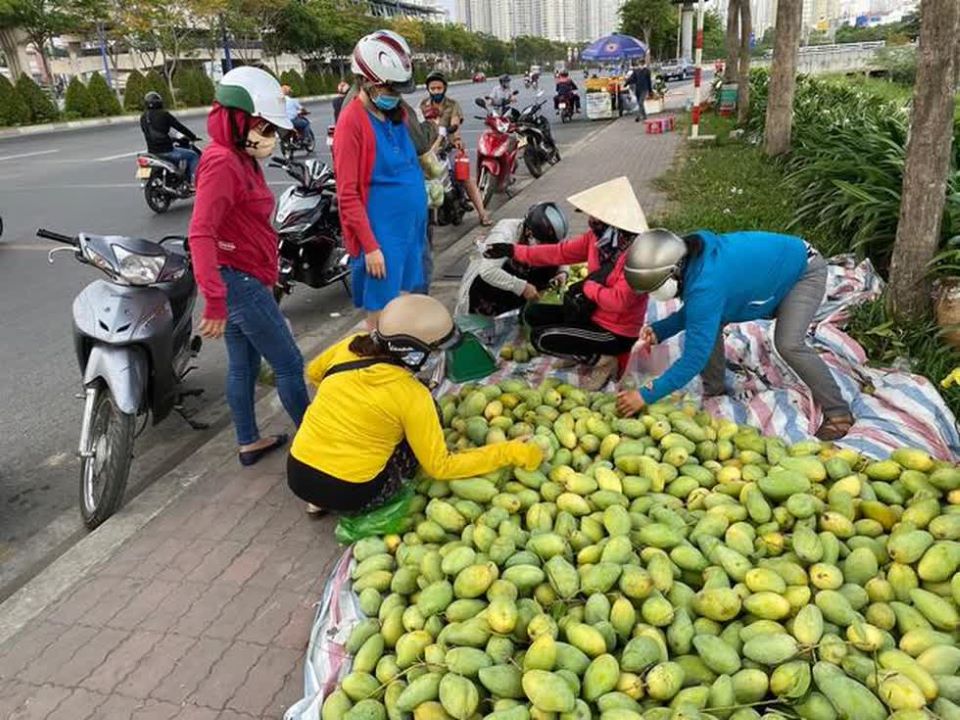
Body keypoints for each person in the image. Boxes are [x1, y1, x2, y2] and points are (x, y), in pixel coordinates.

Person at [288, 294, 544, 514]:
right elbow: (440, 467)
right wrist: (511, 452)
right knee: (429, 422)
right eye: (433, 350)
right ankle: (344, 504)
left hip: (298, 473)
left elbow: (312, 373)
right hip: (353, 493)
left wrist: (344, 411)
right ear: (413, 353)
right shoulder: (412, 395)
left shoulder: (347, 348)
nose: (436, 356)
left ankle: (317, 502)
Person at [617, 229, 855, 441]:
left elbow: (693, 358)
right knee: (708, 324)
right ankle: (715, 389)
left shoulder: (705, 282)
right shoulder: (691, 259)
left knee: (788, 343)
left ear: (673, 271)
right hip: (771, 274)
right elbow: (699, 314)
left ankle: (839, 413)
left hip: (803, 271)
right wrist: (661, 330)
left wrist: (646, 395)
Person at [188, 66, 310, 466]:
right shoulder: (223, 162)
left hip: (244, 275)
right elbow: (201, 232)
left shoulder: (240, 157)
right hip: (238, 281)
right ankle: (318, 451)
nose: (272, 138)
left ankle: (248, 441)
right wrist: (216, 301)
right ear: (240, 121)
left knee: (243, 364)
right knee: (289, 363)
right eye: (267, 129)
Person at [484, 177, 650, 390]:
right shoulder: (597, 239)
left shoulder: (637, 255)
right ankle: (583, 353)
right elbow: (559, 253)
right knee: (534, 314)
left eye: (596, 216)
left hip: (615, 331)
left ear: (612, 220)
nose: (591, 220)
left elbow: (620, 302)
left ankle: (603, 360)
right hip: (591, 313)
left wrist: (588, 287)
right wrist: (513, 251)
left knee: (541, 339)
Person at [335, 31, 428, 331]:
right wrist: (371, 247)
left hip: (410, 230)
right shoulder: (351, 122)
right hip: (382, 236)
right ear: (365, 81)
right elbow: (347, 194)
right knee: (380, 317)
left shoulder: (397, 114)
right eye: (389, 87)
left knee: (404, 304)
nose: (395, 94)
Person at [458, 202, 569, 317]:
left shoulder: (546, 235)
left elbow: (561, 251)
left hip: (518, 281)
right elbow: (487, 271)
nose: (545, 247)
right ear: (528, 232)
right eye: (542, 243)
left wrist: (562, 271)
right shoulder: (504, 234)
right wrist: (522, 287)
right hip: (488, 288)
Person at [420, 70, 492, 227]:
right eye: (433, 88)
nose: (436, 91)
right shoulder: (424, 105)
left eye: (439, 88)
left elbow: (455, 123)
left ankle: (482, 213)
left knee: (465, 177)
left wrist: (454, 135)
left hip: (449, 147)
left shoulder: (452, 105)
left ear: (444, 88)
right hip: (429, 150)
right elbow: (420, 125)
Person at [140, 91, 200, 186]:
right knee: (193, 156)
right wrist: (193, 136)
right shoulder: (164, 114)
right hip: (167, 151)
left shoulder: (143, 117)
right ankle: (194, 183)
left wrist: (172, 139)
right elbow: (179, 127)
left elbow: (148, 133)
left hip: (152, 152)